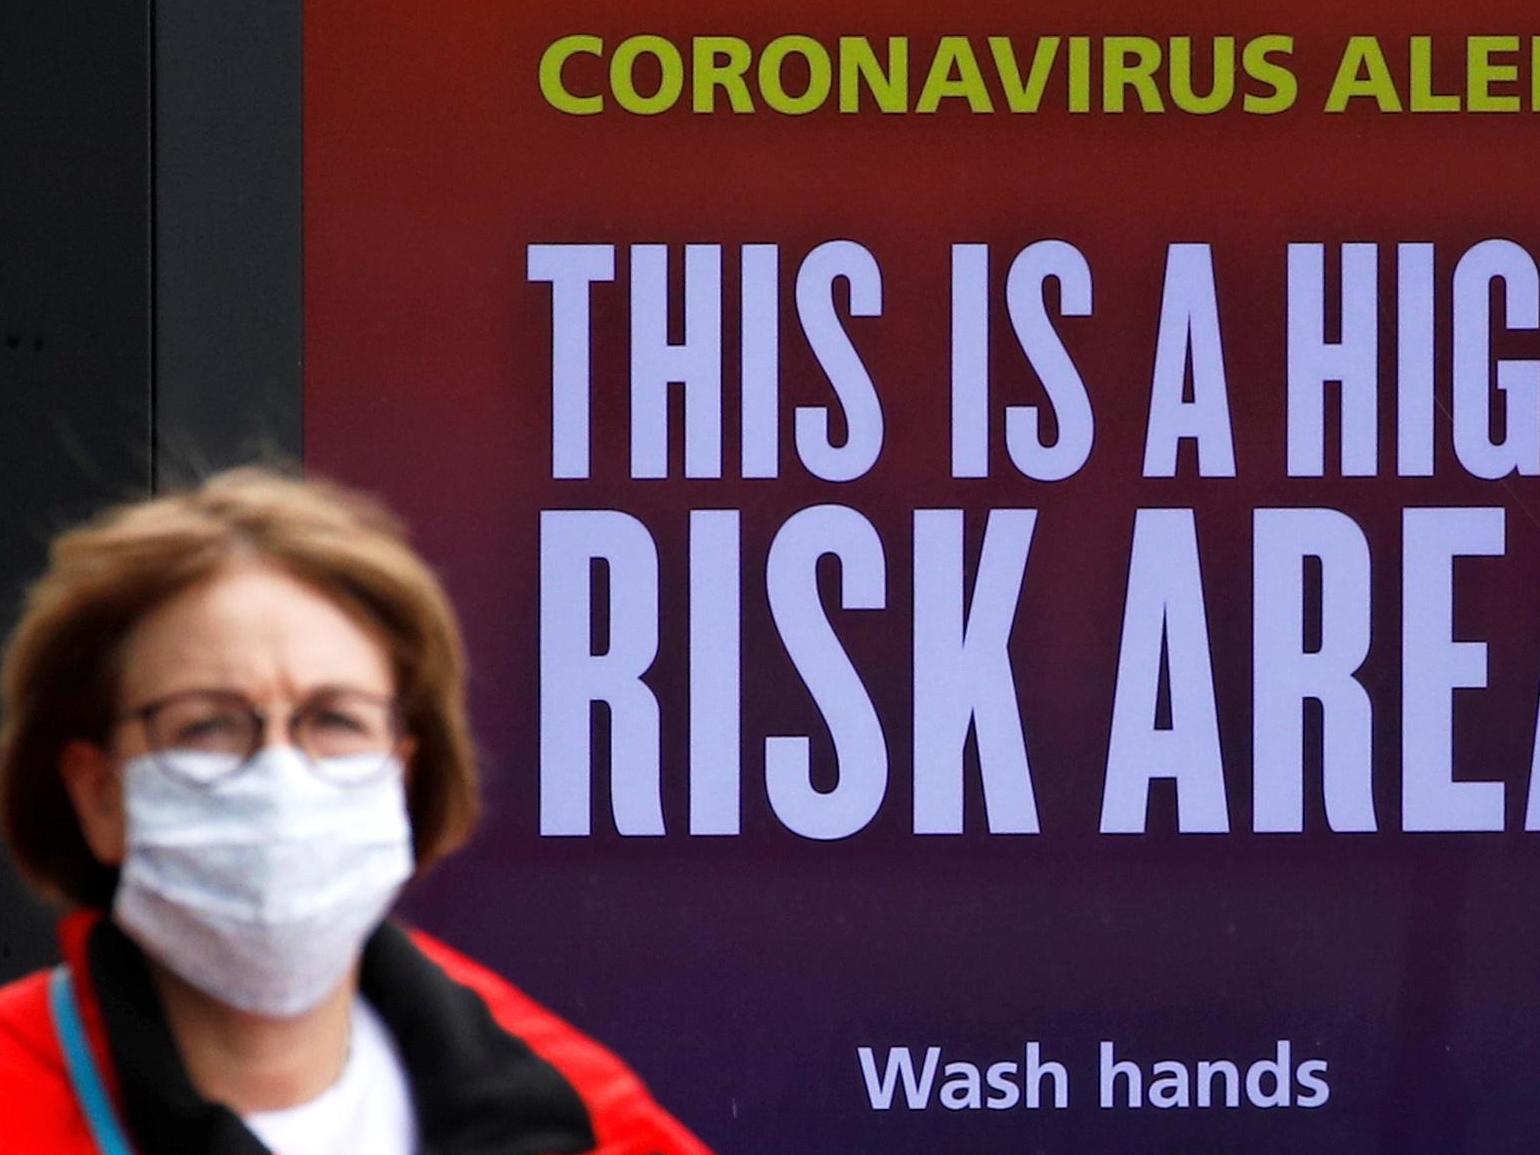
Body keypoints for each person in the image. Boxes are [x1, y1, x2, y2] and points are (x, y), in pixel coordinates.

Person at [0, 467, 710, 1155]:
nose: (279, 773)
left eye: (336, 719)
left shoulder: (590, 1122)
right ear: (99, 794)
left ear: (403, 775)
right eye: (207, 724)